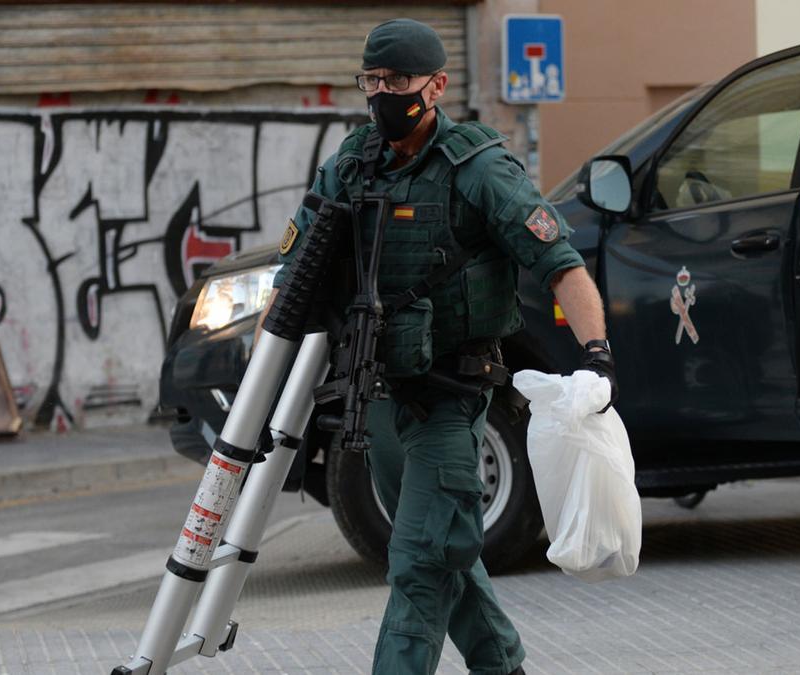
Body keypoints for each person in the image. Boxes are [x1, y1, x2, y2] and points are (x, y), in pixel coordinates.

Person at [259, 17, 617, 675]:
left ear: (437, 86)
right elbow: (292, 282)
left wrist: (596, 357)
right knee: (448, 550)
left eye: (397, 80)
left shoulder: (479, 169)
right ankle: (502, 664)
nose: (382, 93)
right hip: (379, 400)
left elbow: (560, 264)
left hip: (452, 401)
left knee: (419, 564)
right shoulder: (350, 163)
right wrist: (260, 394)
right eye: (372, 79)